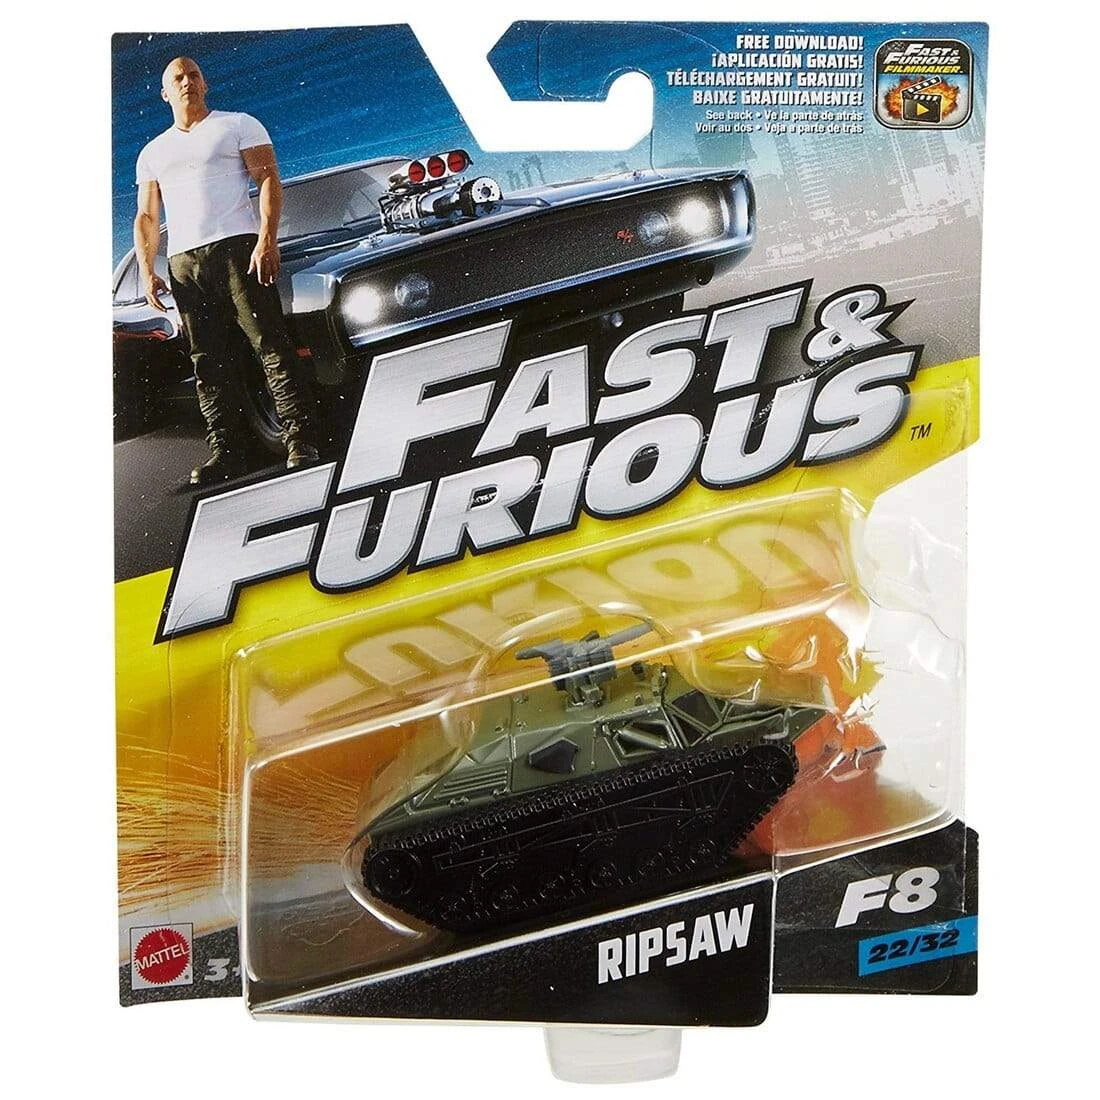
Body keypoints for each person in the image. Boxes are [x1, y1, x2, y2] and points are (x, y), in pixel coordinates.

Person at [133, 56, 319, 485]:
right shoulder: (152, 152)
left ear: (205, 83)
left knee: (269, 345)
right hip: (184, 263)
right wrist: (147, 268)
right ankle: (228, 452)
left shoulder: (238, 124)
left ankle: (301, 439)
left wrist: (266, 240)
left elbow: (267, 180)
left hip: (237, 249)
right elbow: (147, 215)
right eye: (178, 78)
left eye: (194, 75)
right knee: (207, 361)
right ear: (165, 93)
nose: (187, 82)